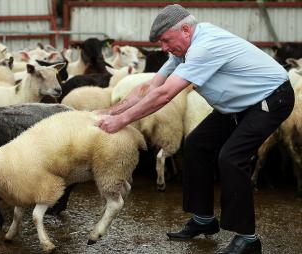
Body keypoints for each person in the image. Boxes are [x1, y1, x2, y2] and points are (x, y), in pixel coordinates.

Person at [95, 4, 294, 254]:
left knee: (232, 158)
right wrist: (110, 112)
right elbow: (151, 86)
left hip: (270, 98)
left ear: (186, 30)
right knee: (197, 144)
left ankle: (248, 239)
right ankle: (204, 220)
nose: (163, 48)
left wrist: (121, 122)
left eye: (166, 40)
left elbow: (165, 94)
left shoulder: (205, 47)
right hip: (237, 104)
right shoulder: (183, 51)